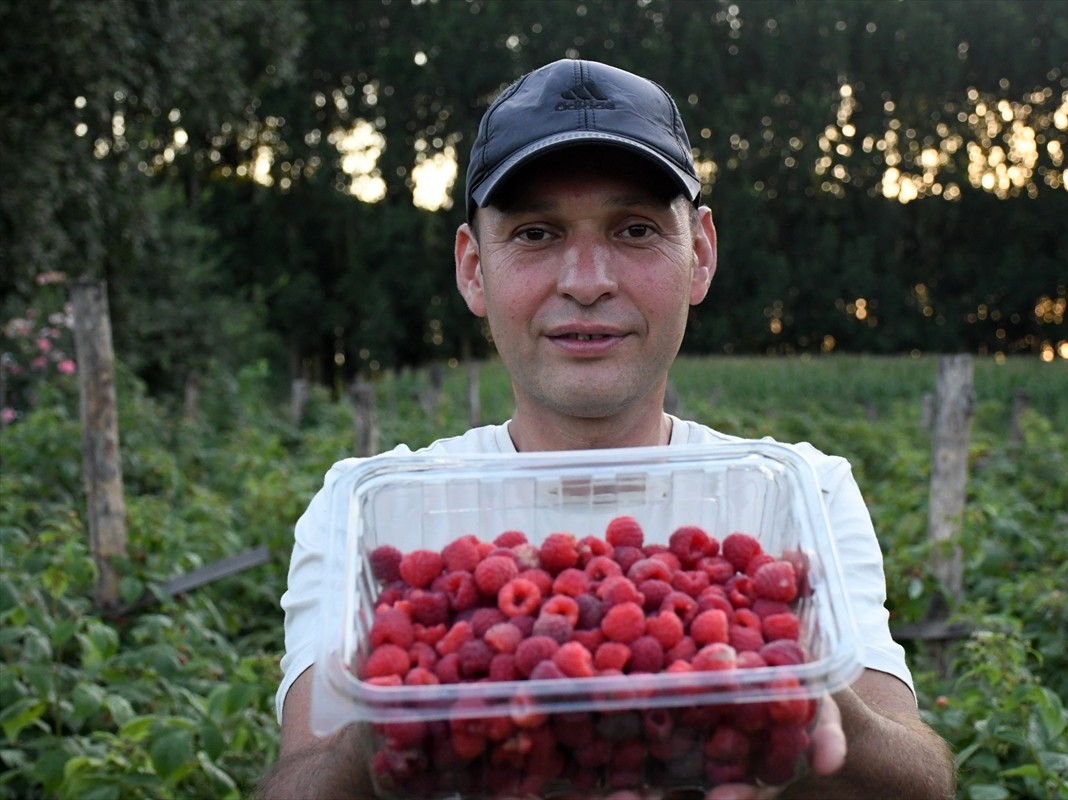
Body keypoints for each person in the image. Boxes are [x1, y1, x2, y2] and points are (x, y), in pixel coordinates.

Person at [257, 58, 956, 800]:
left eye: (634, 229)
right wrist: (397, 713)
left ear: (701, 254)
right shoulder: (365, 507)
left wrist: (809, 705)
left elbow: (922, 778)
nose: (587, 280)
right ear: (472, 269)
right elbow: (295, 783)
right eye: (534, 233)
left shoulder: (802, 493)